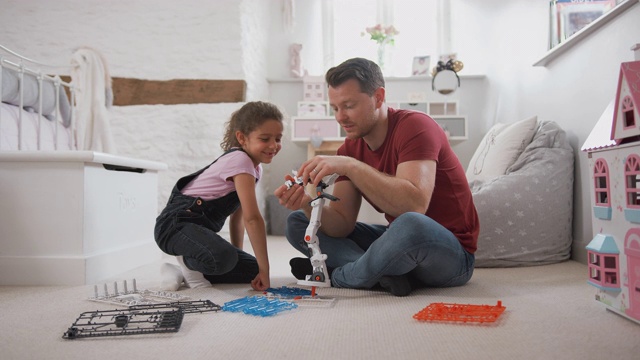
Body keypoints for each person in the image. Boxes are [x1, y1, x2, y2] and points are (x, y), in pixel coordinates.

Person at [274, 58, 479, 296]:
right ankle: (382, 273)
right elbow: (341, 225)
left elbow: (413, 206)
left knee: (410, 225)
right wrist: (306, 204)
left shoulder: (416, 127)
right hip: (399, 244)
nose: (340, 117)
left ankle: (342, 275)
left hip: (449, 254)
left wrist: (351, 166)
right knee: (299, 222)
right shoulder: (350, 149)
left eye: (349, 105)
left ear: (379, 97)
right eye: (335, 108)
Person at [155, 101, 284, 291]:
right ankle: (187, 264)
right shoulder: (239, 160)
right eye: (265, 139)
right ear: (242, 137)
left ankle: (178, 270)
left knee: (251, 269)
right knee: (223, 259)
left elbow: (238, 218)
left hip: (193, 230)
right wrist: (266, 270)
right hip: (174, 227)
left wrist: (239, 256)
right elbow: (253, 219)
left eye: (278, 138)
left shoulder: (255, 168)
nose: (273, 145)